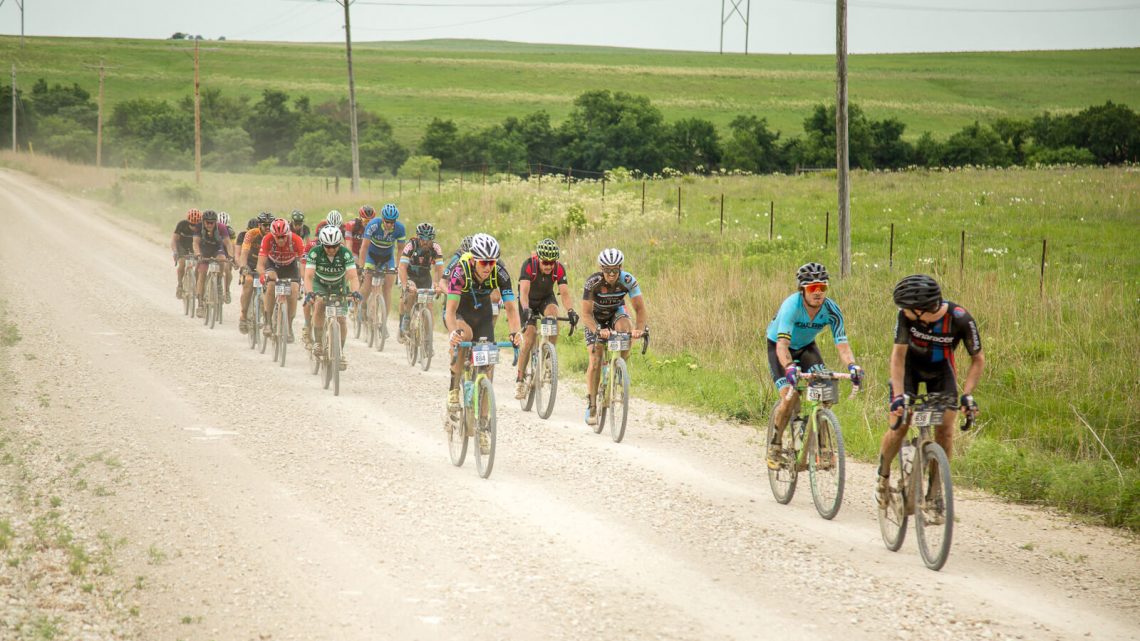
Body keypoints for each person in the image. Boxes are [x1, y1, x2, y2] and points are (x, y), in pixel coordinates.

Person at [877, 274, 984, 509]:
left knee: (945, 430)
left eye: (906, 308)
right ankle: (883, 477)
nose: (902, 311)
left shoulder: (960, 318)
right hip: (909, 371)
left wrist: (967, 394)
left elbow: (977, 359)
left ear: (920, 310)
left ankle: (935, 493)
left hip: (941, 371)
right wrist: (897, 396)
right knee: (899, 425)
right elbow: (897, 357)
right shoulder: (905, 318)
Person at [764, 262, 863, 469]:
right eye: (812, 288)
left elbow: (843, 345)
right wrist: (790, 367)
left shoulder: (832, 310)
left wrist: (852, 366)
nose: (818, 292)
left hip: (807, 347)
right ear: (803, 290)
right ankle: (775, 445)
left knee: (825, 386)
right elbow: (782, 345)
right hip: (780, 348)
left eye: (822, 287)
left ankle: (823, 446)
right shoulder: (792, 306)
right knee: (789, 396)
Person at [443, 233, 521, 417]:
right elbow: (450, 311)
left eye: (492, 262)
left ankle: (484, 423)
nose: (488, 267)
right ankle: (454, 389)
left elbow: (510, 308)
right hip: (460, 312)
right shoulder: (459, 271)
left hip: (482, 313)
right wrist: (453, 332)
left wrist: (516, 333)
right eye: (484, 262)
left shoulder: (500, 272)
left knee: (488, 364)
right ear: (473, 261)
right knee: (465, 336)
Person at [580, 248, 648, 426]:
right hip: (595, 318)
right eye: (607, 270)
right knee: (595, 359)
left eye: (615, 270)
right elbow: (585, 314)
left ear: (620, 268)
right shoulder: (593, 282)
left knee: (626, 328)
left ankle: (619, 368)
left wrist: (638, 330)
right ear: (601, 269)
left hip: (615, 312)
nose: (611, 274)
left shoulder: (627, 280)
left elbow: (640, 309)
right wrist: (597, 330)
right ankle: (592, 403)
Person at [515, 238, 578, 399]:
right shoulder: (529, 265)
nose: (549, 266)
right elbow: (523, 293)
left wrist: (571, 311)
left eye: (551, 262)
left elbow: (564, 293)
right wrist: (526, 310)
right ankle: (520, 380)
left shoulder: (558, 268)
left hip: (545, 299)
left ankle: (549, 355)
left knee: (553, 314)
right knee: (529, 339)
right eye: (545, 262)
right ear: (538, 259)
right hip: (528, 300)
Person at [302, 226, 363, 370]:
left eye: (334, 246)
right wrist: (310, 292)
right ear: (322, 244)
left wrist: (355, 292)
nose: (331, 250)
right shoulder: (315, 253)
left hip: (338, 285)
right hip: (320, 284)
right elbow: (309, 276)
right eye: (328, 247)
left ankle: (340, 353)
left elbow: (353, 276)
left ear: (339, 244)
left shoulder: (345, 254)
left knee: (341, 319)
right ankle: (318, 341)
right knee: (320, 304)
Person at [357, 203, 406, 334]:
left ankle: (383, 322)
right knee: (367, 285)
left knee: (387, 289)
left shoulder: (400, 228)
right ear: (382, 219)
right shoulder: (373, 224)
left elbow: (401, 250)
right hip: (371, 256)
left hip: (387, 258)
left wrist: (397, 267)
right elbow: (364, 247)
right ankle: (361, 307)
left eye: (392, 222)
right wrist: (362, 268)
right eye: (387, 222)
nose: (389, 225)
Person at [256, 218, 306, 342]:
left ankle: (288, 325)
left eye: (283, 236)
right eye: (277, 237)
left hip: (290, 266)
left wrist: (303, 280)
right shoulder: (267, 239)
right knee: (271, 286)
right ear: (273, 235)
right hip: (273, 265)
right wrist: (263, 276)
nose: (281, 240)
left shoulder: (296, 240)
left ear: (288, 234)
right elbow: (260, 264)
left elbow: (304, 263)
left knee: (294, 290)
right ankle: (268, 321)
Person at [397, 222, 445, 341]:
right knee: (410, 293)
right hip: (409, 274)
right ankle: (407, 318)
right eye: (422, 238)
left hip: (424, 276)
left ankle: (428, 340)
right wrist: (405, 286)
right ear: (418, 237)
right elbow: (402, 267)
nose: (425, 241)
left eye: (428, 239)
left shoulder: (436, 248)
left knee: (429, 306)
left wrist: (438, 284)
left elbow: (439, 269)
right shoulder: (411, 245)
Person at [237, 212, 273, 334]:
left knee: (271, 288)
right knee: (248, 281)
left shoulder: (275, 235)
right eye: (265, 225)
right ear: (259, 225)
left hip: (266, 266)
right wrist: (243, 267)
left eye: (270, 225)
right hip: (251, 265)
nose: (268, 227)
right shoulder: (251, 234)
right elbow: (244, 253)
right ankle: (243, 315)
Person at [190, 210, 231, 317]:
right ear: (203, 222)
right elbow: (195, 243)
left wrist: (231, 256)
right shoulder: (199, 227)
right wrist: (198, 254)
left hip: (217, 249)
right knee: (202, 273)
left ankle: (218, 281)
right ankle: (200, 304)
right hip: (204, 250)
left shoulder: (221, 227)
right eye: (207, 222)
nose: (209, 224)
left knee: (222, 259)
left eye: (212, 222)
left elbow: (228, 243)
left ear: (215, 223)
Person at [171, 208, 202, 300]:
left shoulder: (201, 227)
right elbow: (174, 240)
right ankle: (180, 285)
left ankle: (197, 284)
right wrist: (175, 252)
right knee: (182, 263)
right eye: (192, 224)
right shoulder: (182, 224)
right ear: (188, 221)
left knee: (199, 265)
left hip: (195, 246)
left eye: (196, 225)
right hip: (182, 246)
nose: (193, 227)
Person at [344, 205, 375, 270]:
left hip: (366, 252)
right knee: (357, 267)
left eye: (370, 221)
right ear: (360, 218)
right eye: (366, 221)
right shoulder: (351, 225)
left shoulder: (375, 227)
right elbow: (348, 246)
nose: (368, 224)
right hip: (354, 253)